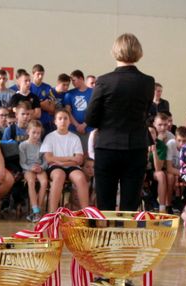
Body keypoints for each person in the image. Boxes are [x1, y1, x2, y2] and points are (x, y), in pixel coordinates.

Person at [86, 33, 155, 211]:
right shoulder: (148, 82)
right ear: (138, 52)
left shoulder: (104, 81)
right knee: (130, 205)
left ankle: (106, 230)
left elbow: (90, 118)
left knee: (105, 204)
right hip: (136, 147)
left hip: (107, 146)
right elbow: (146, 112)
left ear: (115, 51)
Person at [41, 109, 89, 211]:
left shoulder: (75, 138)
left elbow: (79, 160)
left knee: (80, 178)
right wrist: (71, 157)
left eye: (65, 118)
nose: (63, 121)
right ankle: (52, 213)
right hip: (55, 166)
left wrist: (61, 162)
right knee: (59, 176)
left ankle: (86, 213)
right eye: (60, 118)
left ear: (69, 121)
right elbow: (48, 158)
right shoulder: (49, 137)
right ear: (55, 121)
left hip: (72, 166)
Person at [20, 119, 47, 222]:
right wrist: (30, 168)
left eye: (38, 133)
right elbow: (22, 163)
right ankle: (35, 210)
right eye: (34, 132)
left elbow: (45, 161)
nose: (36, 135)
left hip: (39, 168)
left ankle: (37, 210)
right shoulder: (23, 145)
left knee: (44, 182)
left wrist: (41, 167)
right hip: (28, 169)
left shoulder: (42, 145)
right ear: (28, 132)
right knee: (31, 182)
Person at [63, 70, 93, 150]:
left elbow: (94, 111)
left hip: (89, 128)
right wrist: (77, 126)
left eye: (74, 80)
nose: (72, 83)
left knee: (87, 152)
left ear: (81, 79)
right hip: (73, 128)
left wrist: (84, 125)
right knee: (73, 152)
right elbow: (68, 111)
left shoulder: (93, 92)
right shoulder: (69, 94)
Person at [30, 64, 55, 131]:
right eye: (38, 74)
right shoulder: (29, 87)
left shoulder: (48, 87)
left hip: (46, 122)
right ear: (33, 74)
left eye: (42, 74)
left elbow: (52, 108)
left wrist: (35, 104)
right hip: (33, 123)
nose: (40, 76)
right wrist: (42, 104)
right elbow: (28, 106)